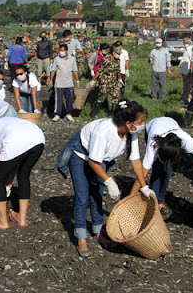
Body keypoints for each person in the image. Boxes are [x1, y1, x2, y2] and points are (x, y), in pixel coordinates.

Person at [57, 100, 150, 257]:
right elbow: (93, 162)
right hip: (81, 157)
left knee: (97, 195)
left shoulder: (130, 134)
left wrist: (144, 186)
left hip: (100, 160)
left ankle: (98, 232)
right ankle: (81, 237)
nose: (143, 124)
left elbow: (136, 161)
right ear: (128, 123)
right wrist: (109, 181)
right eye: (140, 121)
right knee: (82, 198)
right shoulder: (104, 132)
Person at [130, 117, 193, 215]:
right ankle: (153, 203)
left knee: (167, 171)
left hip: (169, 129)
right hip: (153, 127)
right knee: (157, 169)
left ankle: (159, 201)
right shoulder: (153, 144)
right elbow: (141, 175)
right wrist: (130, 199)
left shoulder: (184, 139)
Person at [89, 44, 121, 118]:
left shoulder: (117, 61)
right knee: (101, 98)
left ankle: (114, 116)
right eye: (118, 53)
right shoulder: (106, 59)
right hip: (105, 82)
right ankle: (94, 114)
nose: (118, 55)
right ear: (113, 52)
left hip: (114, 82)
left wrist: (120, 79)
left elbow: (118, 71)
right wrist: (93, 80)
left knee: (115, 97)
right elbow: (99, 70)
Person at [49, 44, 79, 122]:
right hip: (59, 83)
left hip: (69, 83)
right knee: (58, 99)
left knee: (69, 99)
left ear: (66, 51)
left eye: (63, 51)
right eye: (60, 51)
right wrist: (51, 80)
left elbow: (75, 70)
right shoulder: (57, 59)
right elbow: (53, 70)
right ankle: (57, 114)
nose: (61, 52)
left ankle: (68, 113)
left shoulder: (72, 59)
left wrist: (77, 80)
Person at [179, 37, 193, 103]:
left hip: (187, 70)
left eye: (186, 42)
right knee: (185, 84)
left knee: (187, 85)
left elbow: (192, 60)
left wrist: (190, 69)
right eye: (184, 42)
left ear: (189, 43)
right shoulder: (186, 50)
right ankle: (185, 97)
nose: (185, 44)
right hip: (184, 70)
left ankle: (185, 98)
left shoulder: (190, 50)